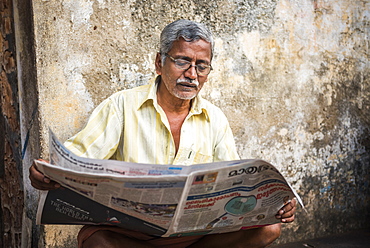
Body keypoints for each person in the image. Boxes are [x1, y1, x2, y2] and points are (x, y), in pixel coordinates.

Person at [29, 19, 296, 248]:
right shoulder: (121, 106)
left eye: (202, 66)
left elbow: (237, 187)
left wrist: (273, 205)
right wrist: (48, 172)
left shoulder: (214, 118)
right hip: (134, 236)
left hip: (193, 237)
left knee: (268, 229)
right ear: (159, 62)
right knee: (99, 243)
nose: (192, 74)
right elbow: (78, 157)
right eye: (182, 61)